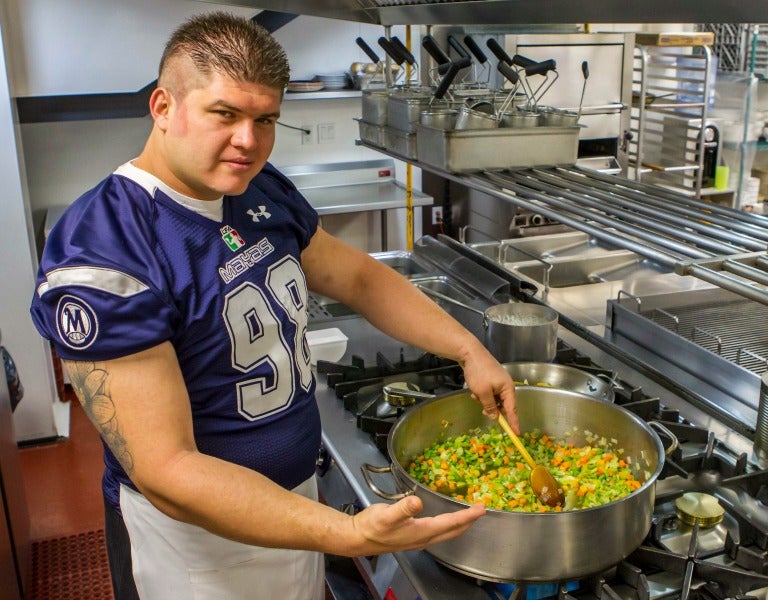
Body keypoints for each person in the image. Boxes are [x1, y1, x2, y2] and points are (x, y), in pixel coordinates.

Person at [29, 11, 517, 600]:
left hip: (296, 509)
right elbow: (167, 473)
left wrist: (469, 350)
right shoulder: (106, 250)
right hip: (194, 550)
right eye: (225, 114)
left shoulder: (256, 187)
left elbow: (359, 278)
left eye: (266, 119)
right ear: (163, 107)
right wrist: (347, 533)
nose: (249, 140)